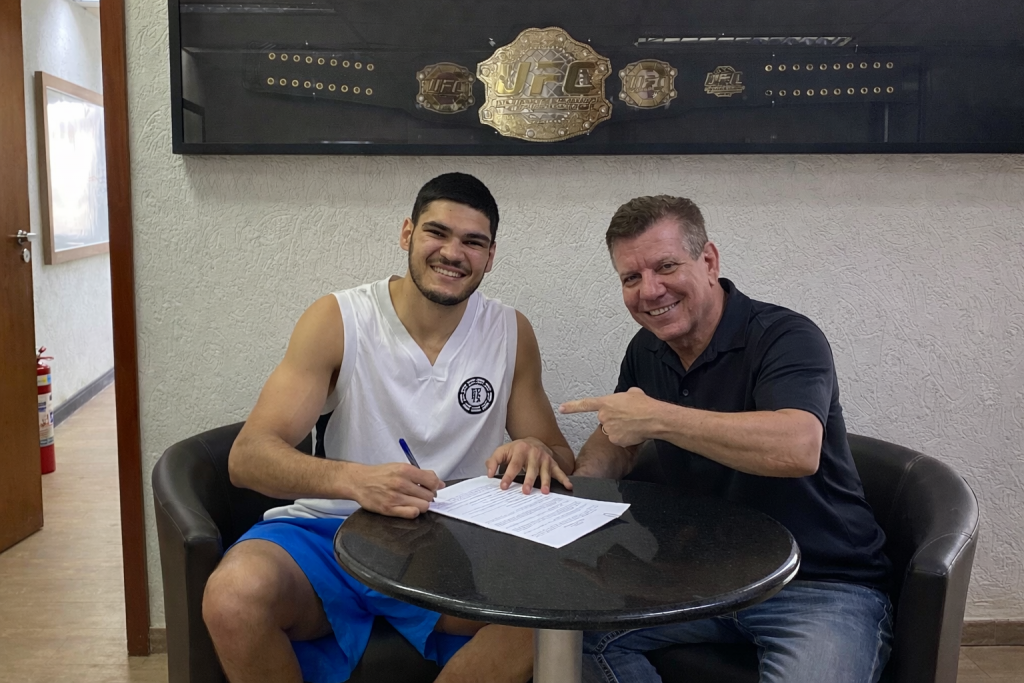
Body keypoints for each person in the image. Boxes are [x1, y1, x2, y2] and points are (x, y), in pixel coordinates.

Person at [202, 172, 574, 683]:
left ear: (490, 256)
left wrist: (535, 448)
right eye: (437, 232)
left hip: (456, 548)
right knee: (233, 595)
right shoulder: (339, 318)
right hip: (333, 532)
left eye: (473, 242)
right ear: (407, 234)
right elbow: (248, 458)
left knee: (558, 611)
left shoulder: (510, 331)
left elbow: (559, 454)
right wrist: (356, 480)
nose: (453, 253)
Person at [560, 195, 893, 683]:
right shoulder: (647, 349)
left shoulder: (786, 336)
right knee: (571, 639)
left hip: (821, 585)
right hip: (696, 581)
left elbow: (797, 448)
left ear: (709, 261)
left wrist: (659, 418)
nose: (649, 291)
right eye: (631, 278)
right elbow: (619, 439)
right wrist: (576, 489)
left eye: (666, 266)